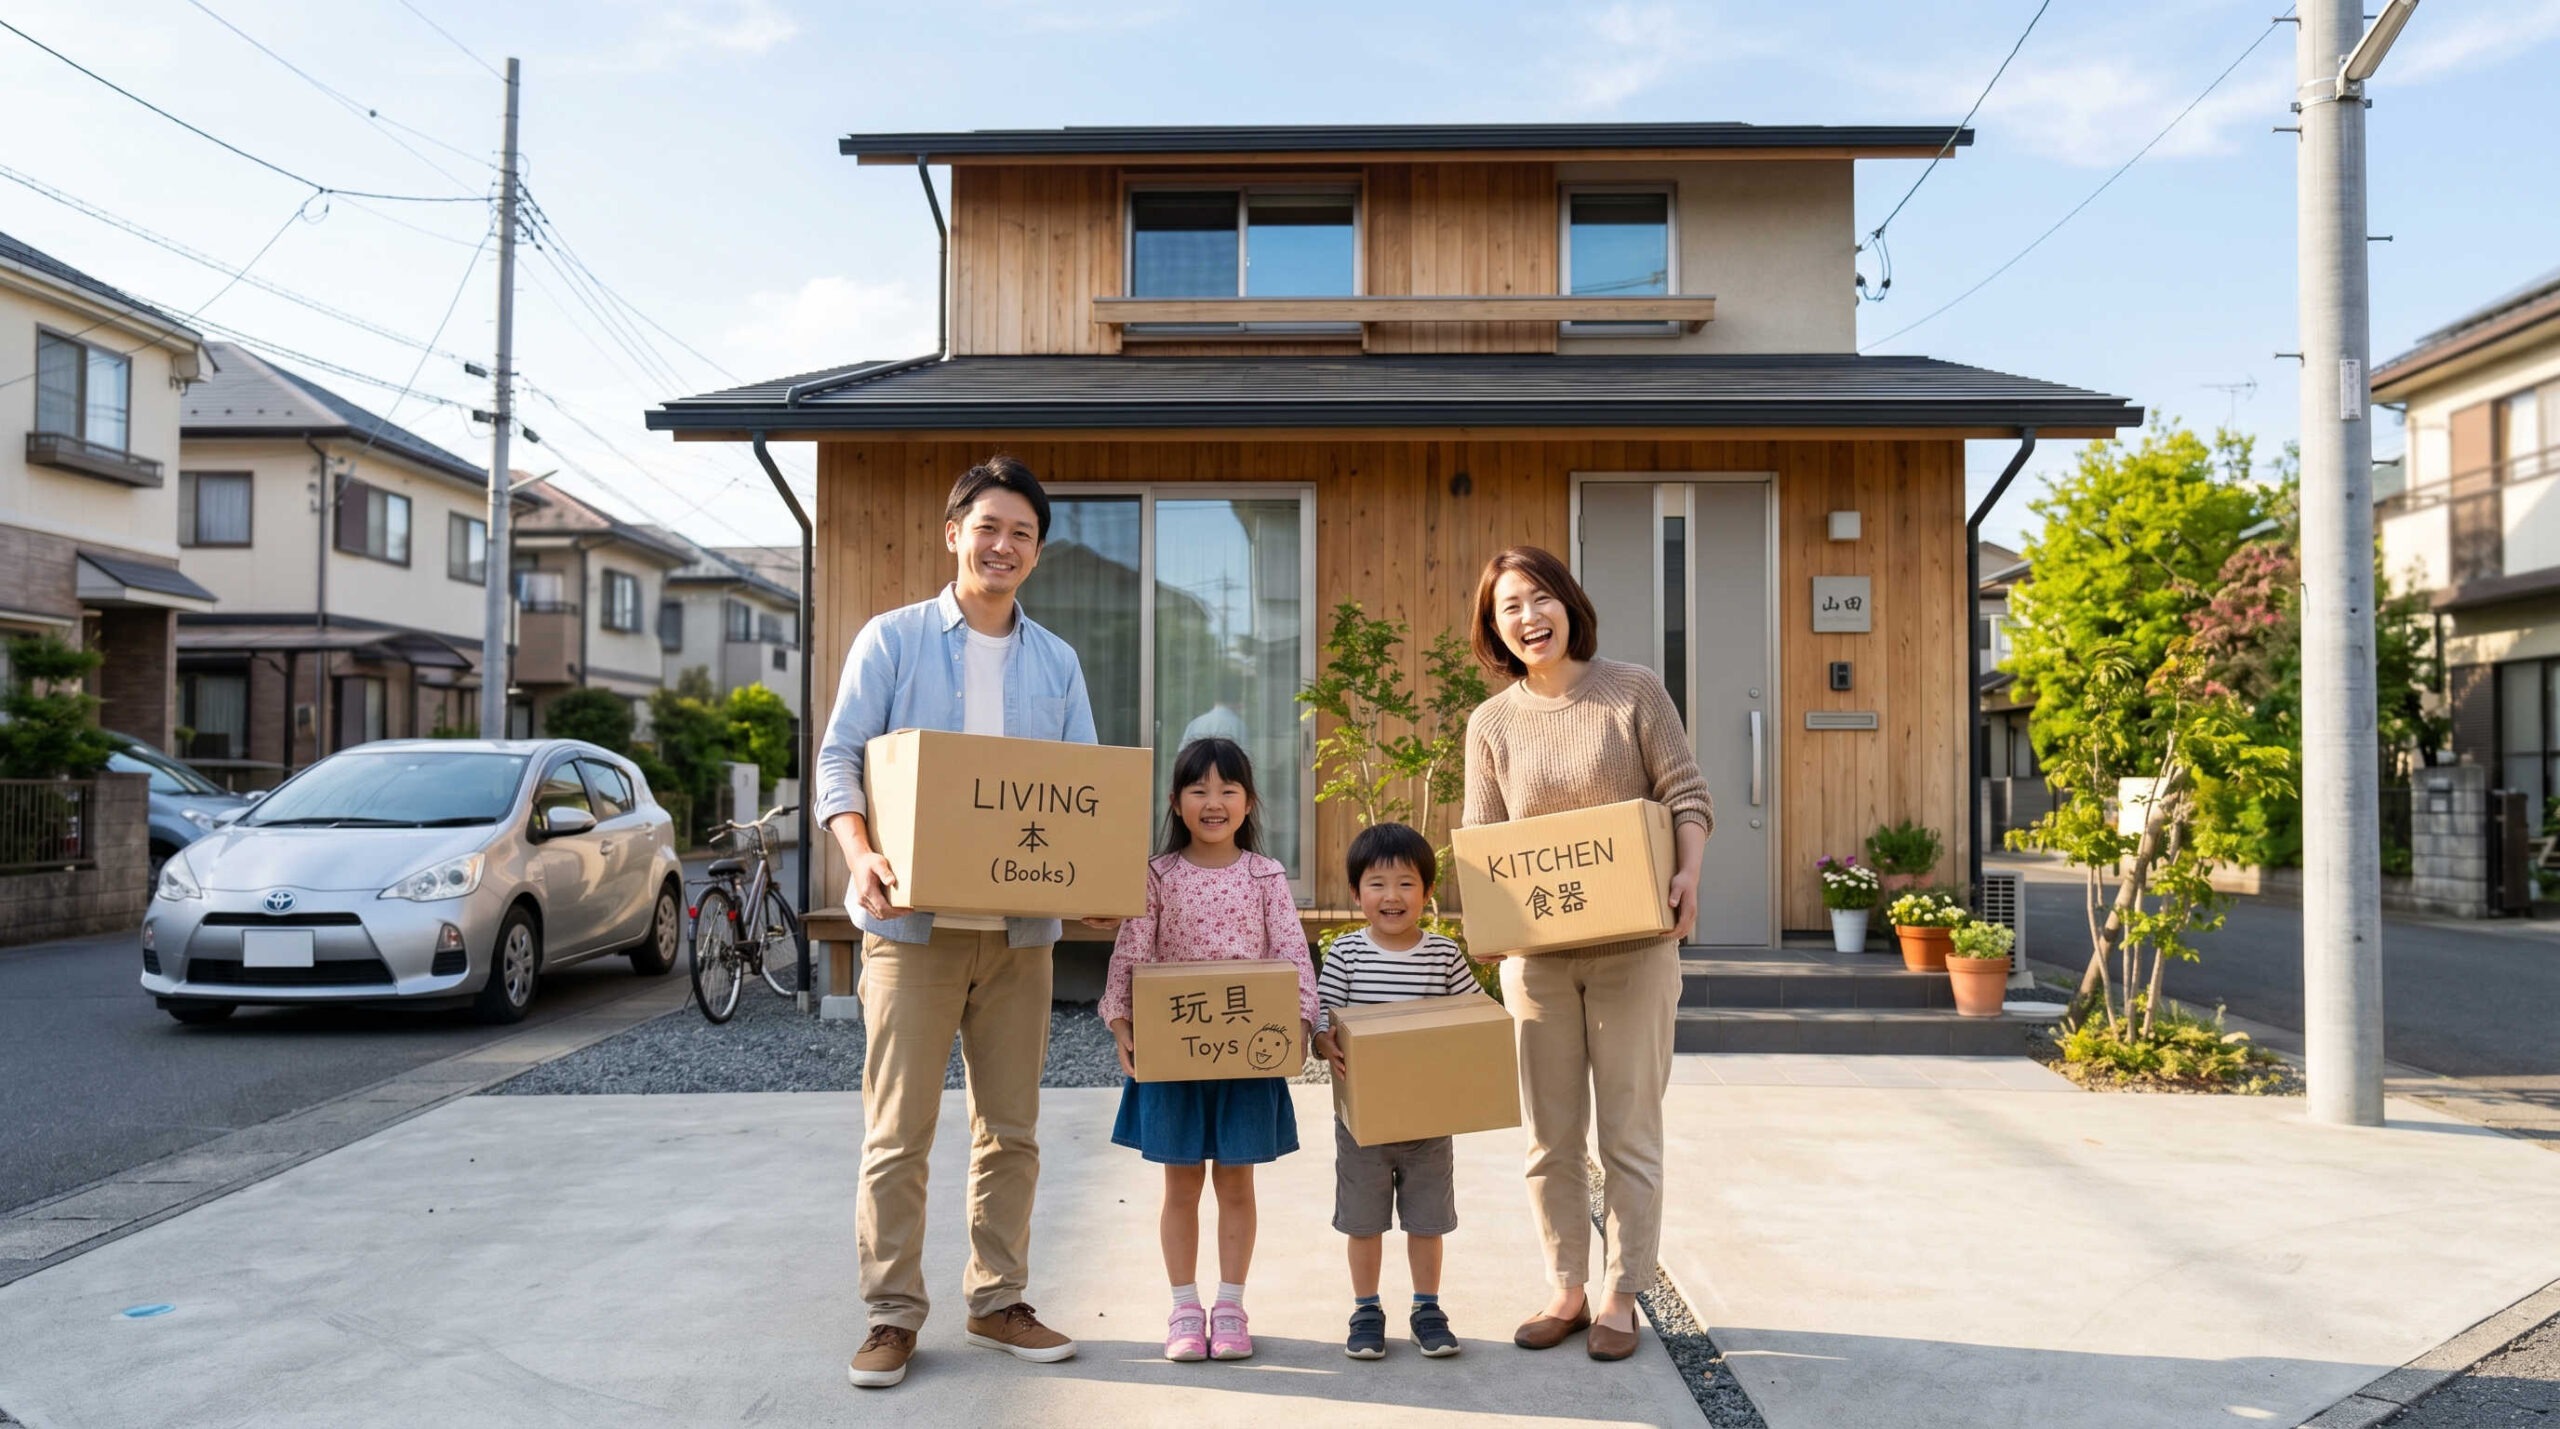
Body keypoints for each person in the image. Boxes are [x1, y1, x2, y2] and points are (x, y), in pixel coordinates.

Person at [817, 455, 1102, 1391]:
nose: (1004, 545)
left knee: (1010, 1129)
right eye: (989, 527)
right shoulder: (893, 641)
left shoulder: (1056, 660)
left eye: (1023, 532)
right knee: (898, 1131)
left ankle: (997, 1301)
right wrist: (861, 856)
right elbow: (838, 762)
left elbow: (1082, 793)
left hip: (1020, 935)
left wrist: (1095, 877)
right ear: (954, 534)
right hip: (911, 930)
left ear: (1038, 551)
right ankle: (891, 1314)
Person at [1459, 544, 1712, 1365]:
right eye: (1510, 608)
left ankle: (1621, 1291)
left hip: (1634, 948)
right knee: (1549, 1133)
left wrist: (1687, 876)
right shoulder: (1490, 723)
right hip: (1536, 959)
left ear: (1568, 602)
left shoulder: (1632, 691)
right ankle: (1565, 1284)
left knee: (1630, 1130)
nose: (1529, 618)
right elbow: (1486, 844)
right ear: (1494, 629)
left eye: (1539, 598)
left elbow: (1686, 792)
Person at [1098, 736, 1319, 1365]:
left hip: (1246, 1059)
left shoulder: (1266, 875)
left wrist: (1301, 1023)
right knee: (1180, 1187)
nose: (1213, 801)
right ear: (1176, 801)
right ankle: (1184, 1308)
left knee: (1239, 1187)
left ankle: (1230, 1306)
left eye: (1228, 789)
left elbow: (1292, 955)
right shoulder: (1157, 875)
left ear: (1248, 803)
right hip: (1174, 1059)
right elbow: (1133, 950)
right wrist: (1121, 1024)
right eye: (1199, 789)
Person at [1310, 821, 1483, 1362]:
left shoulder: (1443, 955)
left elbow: (1476, 1013)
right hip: (1363, 1117)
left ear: (1427, 893)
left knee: (1426, 1218)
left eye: (1406, 883)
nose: (1392, 896)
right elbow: (1322, 1014)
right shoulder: (1346, 955)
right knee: (1364, 1220)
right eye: (1377, 884)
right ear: (1357, 893)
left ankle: (1427, 1307)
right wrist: (1321, 1041)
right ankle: (1366, 1308)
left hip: (1429, 1117)